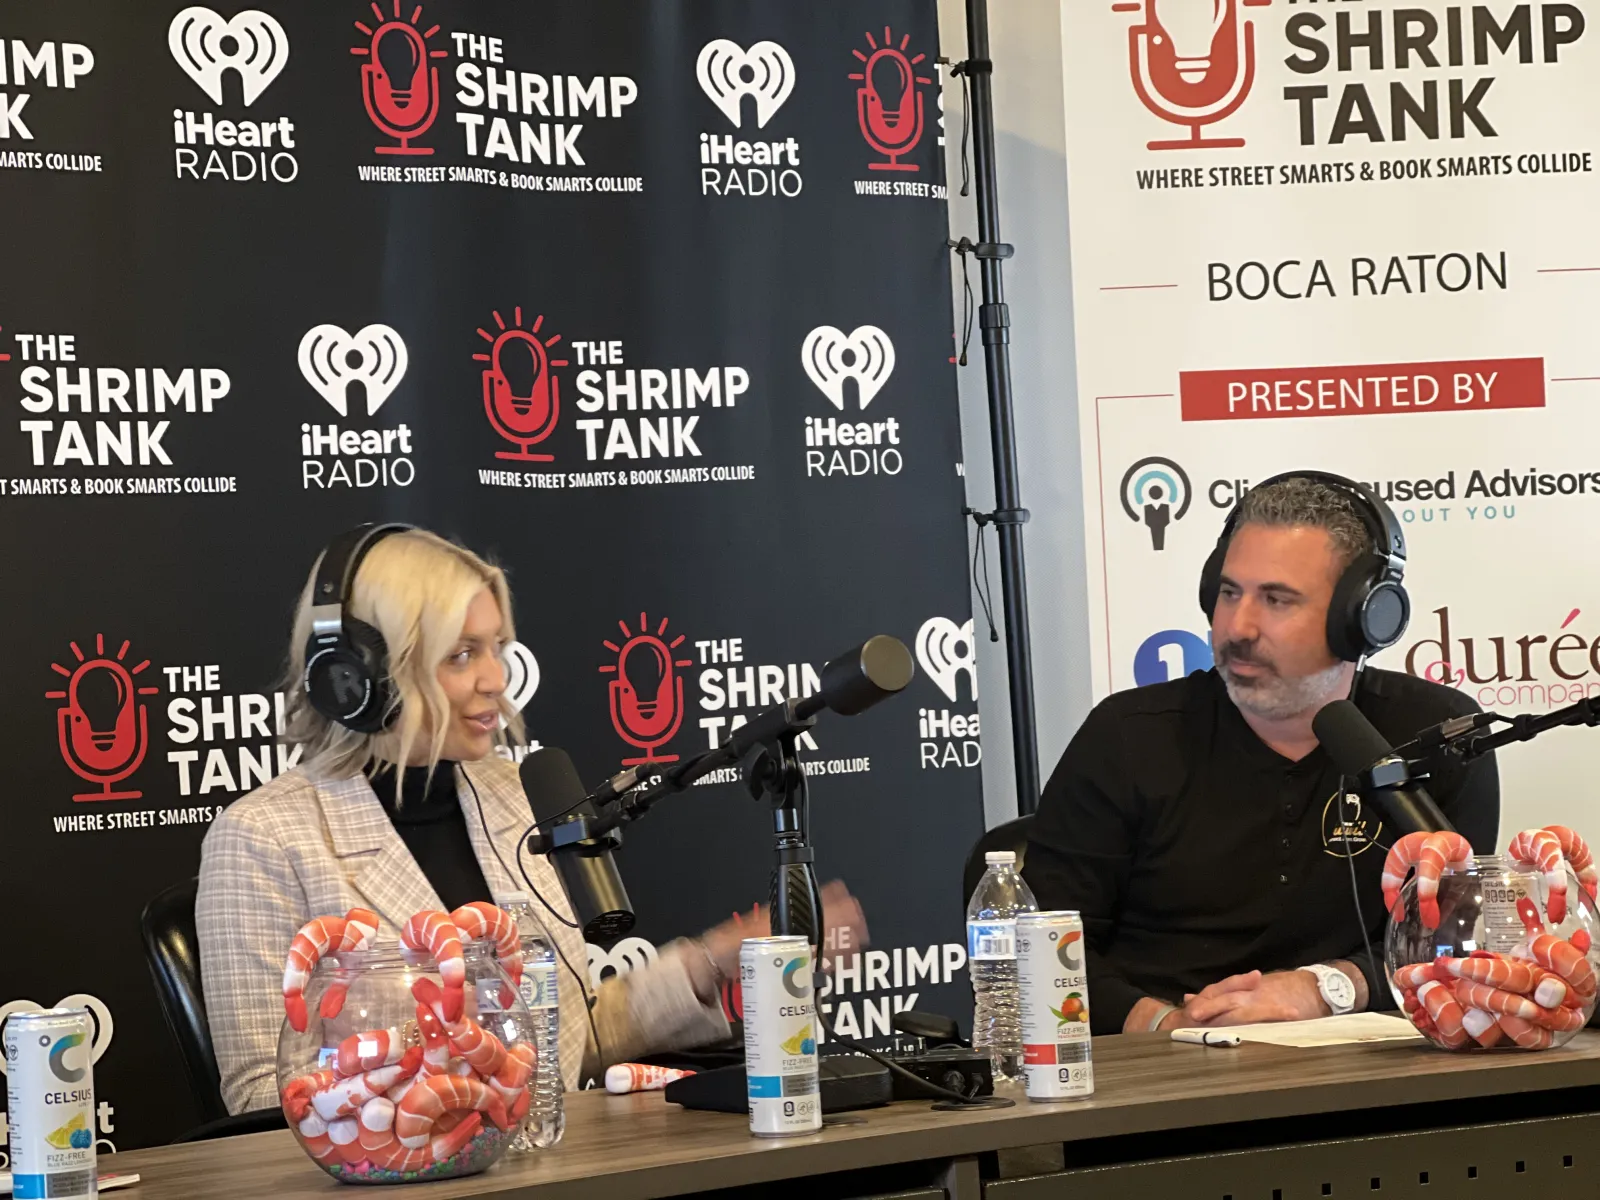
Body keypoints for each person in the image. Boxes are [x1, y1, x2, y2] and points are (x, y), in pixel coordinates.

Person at [197, 524, 867, 1114]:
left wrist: (714, 961)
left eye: (497, 647)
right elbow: (262, 1100)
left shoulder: (511, 796)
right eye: (462, 655)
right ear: (357, 677)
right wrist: (443, 1062)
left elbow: (569, 1039)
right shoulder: (264, 840)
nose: (496, 678)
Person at [1024, 473, 1499, 1036]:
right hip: (1156, 1075)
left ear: (1361, 618)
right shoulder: (1128, 737)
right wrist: (1167, 1024)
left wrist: (1324, 988)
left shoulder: (1433, 736)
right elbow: (1043, 946)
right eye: (1228, 593)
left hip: (1363, 1074)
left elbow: (1451, 937)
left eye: (1276, 599)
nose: (1237, 627)